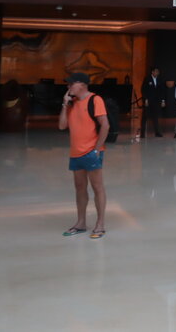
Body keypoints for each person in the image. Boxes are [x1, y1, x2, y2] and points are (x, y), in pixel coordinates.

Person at [58, 72, 108, 239]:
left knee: (97, 187)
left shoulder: (95, 100)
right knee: (80, 188)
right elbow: (62, 126)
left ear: (82, 84)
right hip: (76, 153)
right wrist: (65, 105)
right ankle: (80, 223)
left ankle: (100, 224)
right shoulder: (72, 104)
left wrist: (96, 149)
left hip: (92, 152)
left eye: (71, 84)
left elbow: (105, 125)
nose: (68, 86)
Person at [140, 66, 164, 138]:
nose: (157, 73)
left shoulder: (160, 79)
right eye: (156, 71)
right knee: (145, 117)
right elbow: (143, 90)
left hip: (156, 102)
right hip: (148, 101)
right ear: (152, 72)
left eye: (158, 71)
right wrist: (146, 99)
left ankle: (157, 132)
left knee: (155, 117)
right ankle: (142, 133)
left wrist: (162, 100)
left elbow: (162, 91)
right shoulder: (147, 79)